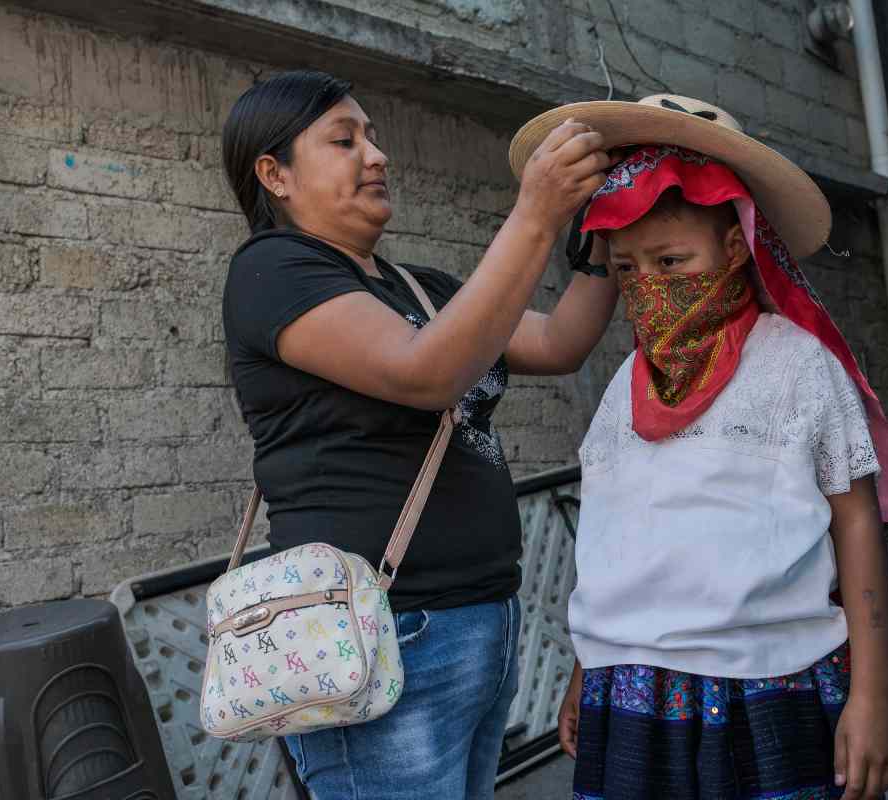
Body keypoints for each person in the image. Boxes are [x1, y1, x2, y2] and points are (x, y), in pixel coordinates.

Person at [507, 96, 888, 800]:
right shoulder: (621, 392)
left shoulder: (796, 367)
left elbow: (856, 521)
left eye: (673, 261)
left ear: (735, 248)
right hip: (631, 695)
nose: (651, 287)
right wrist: (588, 664)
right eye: (629, 270)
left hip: (771, 683)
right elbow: (616, 544)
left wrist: (874, 693)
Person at [220, 70, 618, 799]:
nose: (376, 155)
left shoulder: (419, 287)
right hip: (384, 638)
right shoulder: (271, 271)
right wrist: (535, 214)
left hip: (481, 619)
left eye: (372, 137)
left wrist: (600, 237)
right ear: (275, 175)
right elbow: (425, 372)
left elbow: (560, 342)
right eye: (344, 140)